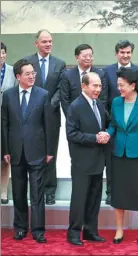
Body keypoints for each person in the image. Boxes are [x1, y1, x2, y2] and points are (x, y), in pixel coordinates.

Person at [1, 59, 55, 243]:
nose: (32, 76)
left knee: (37, 194)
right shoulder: (8, 96)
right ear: (18, 77)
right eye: (28, 74)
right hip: (15, 152)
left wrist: (50, 150)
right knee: (18, 192)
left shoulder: (43, 95)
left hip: (37, 151)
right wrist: (5, 149)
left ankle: (38, 230)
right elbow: (5, 124)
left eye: (33, 73)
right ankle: (20, 228)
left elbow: (49, 124)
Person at [106, 68, 138, 244]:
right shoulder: (116, 102)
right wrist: (107, 133)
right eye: (118, 84)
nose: (119, 88)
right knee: (118, 194)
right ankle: (119, 230)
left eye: (122, 85)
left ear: (133, 85)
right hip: (119, 154)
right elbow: (113, 125)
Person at [102, 40, 138, 204]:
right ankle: (111, 192)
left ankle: (130, 192)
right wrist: (112, 121)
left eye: (128, 52)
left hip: (135, 125)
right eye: (122, 52)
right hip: (114, 124)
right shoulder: (107, 71)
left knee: (133, 161)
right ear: (117, 53)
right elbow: (103, 99)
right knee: (112, 161)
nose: (125, 55)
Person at [24, 29, 66, 205]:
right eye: (44, 42)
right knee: (33, 154)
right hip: (31, 117)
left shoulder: (60, 63)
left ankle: (50, 190)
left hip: (51, 115)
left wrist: (49, 104)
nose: (48, 44)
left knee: (50, 154)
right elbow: (25, 86)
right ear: (36, 43)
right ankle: (36, 190)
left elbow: (60, 89)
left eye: (50, 41)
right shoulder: (28, 62)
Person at [65, 72, 108, 246]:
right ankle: (74, 232)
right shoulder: (75, 106)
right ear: (83, 86)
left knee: (94, 198)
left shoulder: (99, 104)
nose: (97, 89)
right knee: (79, 198)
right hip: (82, 161)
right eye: (94, 86)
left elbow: (106, 124)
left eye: (99, 86)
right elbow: (72, 134)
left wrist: (106, 134)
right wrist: (95, 138)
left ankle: (90, 231)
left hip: (98, 160)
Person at [60, 44, 108, 116]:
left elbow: (103, 99)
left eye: (90, 56)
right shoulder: (67, 75)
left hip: (94, 117)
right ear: (77, 57)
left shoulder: (100, 74)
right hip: (74, 117)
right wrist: (71, 118)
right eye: (85, 56)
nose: (88, 58)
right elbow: (65, 100)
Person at [1, 41, 18, 204]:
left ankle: (4, 192)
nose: (1, 55)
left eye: (3, 52)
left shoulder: (13, 71)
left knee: (5, 157)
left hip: (7, 119)